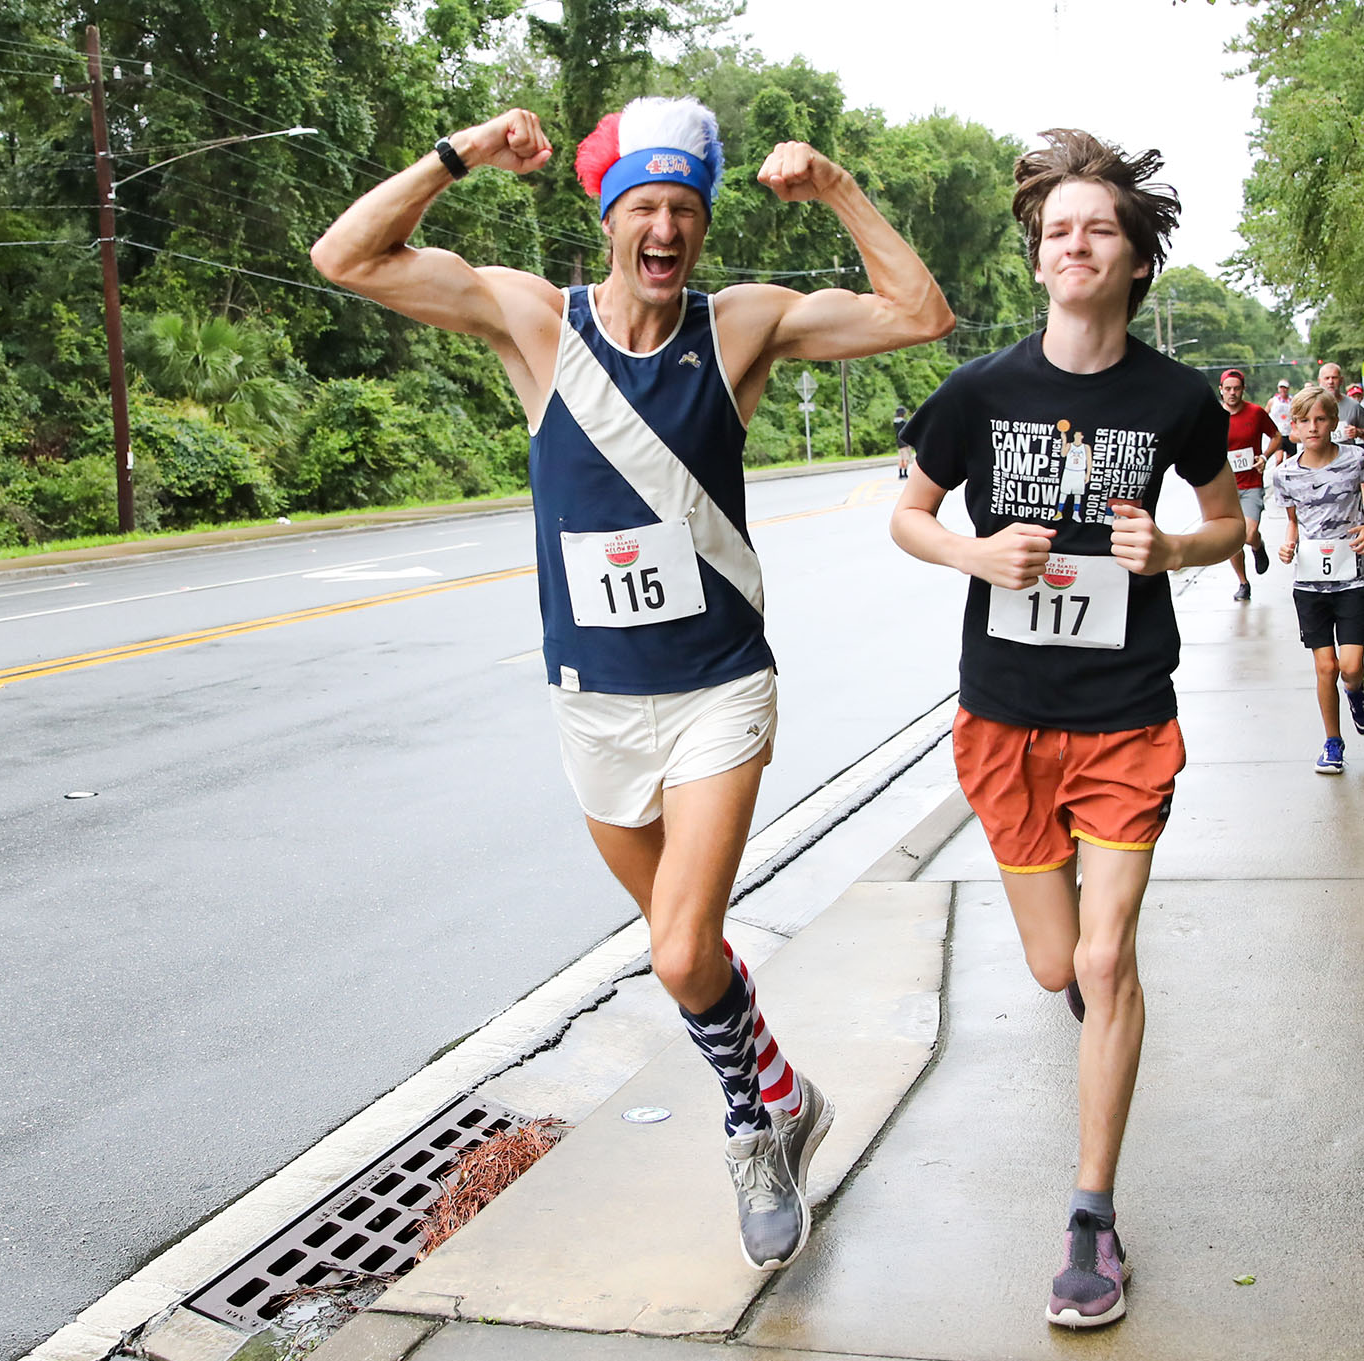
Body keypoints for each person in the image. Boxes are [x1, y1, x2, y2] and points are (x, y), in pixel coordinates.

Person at [310, 100, 954, 1271]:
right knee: (688, 953)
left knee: (675, 949)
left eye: (685, 211)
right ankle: (781, 1092)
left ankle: (751, 1129)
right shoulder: (530, 321)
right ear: (610, 223)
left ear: (701, 228)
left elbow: (920, 313)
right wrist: (457, 156)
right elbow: (343, 256)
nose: (665, 228)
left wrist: (838, 188)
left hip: (717, 686)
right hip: (593, 698)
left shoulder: (739, 327)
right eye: (644, 208)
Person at [889, 128, 1242, 1329]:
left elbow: (1228, 522)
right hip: (1005, 720)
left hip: (1124, 715)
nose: (1074, 243)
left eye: (1097, 227)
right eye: (1056, 231)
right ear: (1036, 261)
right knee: (1055, 967)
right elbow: (908, 516)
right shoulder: (982, 392)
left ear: (1135, 259)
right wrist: (973, 550)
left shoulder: (1175, 397)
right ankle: (1094, 991)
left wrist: (1178, 546)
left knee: (1105, 958)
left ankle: (1090, 1217)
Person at [1273, 384, 1364, 774]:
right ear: (1294, 427)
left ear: (1333, 422)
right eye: (1304, 421)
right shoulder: (1285, 473)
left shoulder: (1355, 459)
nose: (1313, 427)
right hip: (1309, 583)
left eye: (1320, 419)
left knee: (1350, 666)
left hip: (1352, 576)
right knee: (1326, 667)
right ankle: (1333, 743)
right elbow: (1292, 522)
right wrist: (1288, 545)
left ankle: (1356, 691)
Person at [1216, 369, 1281, 601]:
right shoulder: (1212, 416)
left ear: (1243, 390)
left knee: (1248, 532)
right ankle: (1243, 583)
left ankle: (1257, 545)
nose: (1232, 393)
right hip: (1224, 487)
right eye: (1228, 389)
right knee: (1233, 538)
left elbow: (1276, 436)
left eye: (1236, 389)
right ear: (1221, 390)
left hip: (1251, 483)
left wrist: (1264, 457)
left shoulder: (1256, 412)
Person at [1318, 363, 1364, 449]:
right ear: (1319, 381)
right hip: (1319, 458)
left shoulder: (1354, 406)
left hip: (1347, 459)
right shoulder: (1311, 405)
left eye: (1334, 377)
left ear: (1341, 380)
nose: (1330, 382)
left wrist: (1359, 432)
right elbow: (1293, 436)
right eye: (1327, 378)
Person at [894, 404, 912, 477]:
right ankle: (905, 473)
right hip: (905, 442)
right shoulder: (904, 422)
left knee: (900, 458)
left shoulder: (895, 422)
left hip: (898, 442)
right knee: (906, 458)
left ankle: (900, 473)